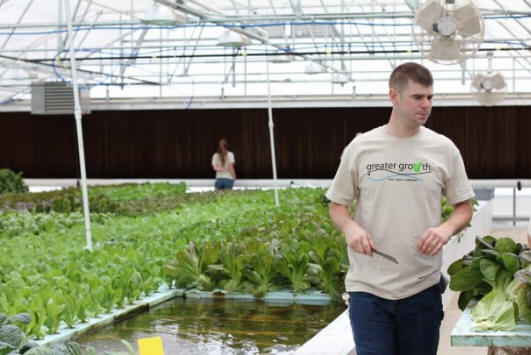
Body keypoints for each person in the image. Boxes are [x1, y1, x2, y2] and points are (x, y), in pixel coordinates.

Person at [326, 62, 474, 355]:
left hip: (421, 287)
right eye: (417, 97)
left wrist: (445, 229)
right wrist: (350, 227)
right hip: (368, 289)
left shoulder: (443, 148)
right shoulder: (361, 148)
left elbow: (464, 208)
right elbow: (338, 207)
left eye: (430, 97)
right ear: (394, 96)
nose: (426, 105)